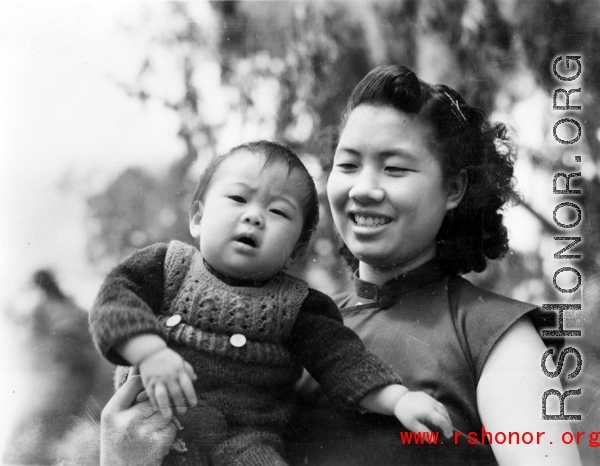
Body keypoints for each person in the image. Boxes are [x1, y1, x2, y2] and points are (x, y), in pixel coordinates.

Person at [96, 66, 581, 465]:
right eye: (347, 165)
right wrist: (119, 458)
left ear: (453, 189)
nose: (362, 188)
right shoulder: (291, 325)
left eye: (395, 168)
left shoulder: (497, 333)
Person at [89, 140, 453, 466]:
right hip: (149, 427)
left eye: (278, 212)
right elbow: (114, 301)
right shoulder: (167, 266)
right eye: (237, 198)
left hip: (243, 443)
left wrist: (399, 400)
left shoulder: (299, 306)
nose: (254, 216)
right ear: (198, 217)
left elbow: (343, 361)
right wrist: (150, 353)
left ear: (295, 250)